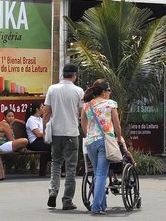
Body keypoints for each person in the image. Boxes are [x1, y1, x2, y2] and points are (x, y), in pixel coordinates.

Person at [43, 63, 84, 211]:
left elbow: (47, 111)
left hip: (56, 133)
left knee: (56, 164)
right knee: (71, 168)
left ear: (63, 74)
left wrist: (44, 129)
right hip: (72, 133)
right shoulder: (78, 91)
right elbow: (81, 113)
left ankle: (53, 191)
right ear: (75, 75)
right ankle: (67, 201)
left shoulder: (52, 89)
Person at [81, 79, 123, 215]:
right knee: (101, 174)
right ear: (104, 92)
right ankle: (96, 207)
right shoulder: (110, 104)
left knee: (97, 174)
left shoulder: (87, 106)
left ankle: (102, 205)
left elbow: (83, 125)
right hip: (104, 141)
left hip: (90, 142)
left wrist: (89, 135)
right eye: (109, 91)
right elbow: (117, 125)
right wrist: (118, 138)